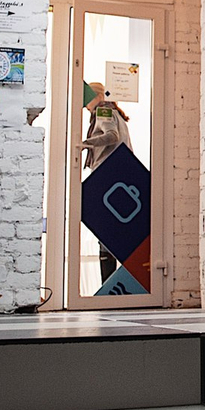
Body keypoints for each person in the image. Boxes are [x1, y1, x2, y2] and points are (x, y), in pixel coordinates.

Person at [78, 85, 131, 281]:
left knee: (105, 230)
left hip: (108, 175)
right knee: (114, 229)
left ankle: (108, 281)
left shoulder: (103, 111)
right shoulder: (114, 111)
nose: (85, 107)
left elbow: (112, 136)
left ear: (96, 97)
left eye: (86, 101)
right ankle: (114, 281)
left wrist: (85, 144)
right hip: (120, 175)